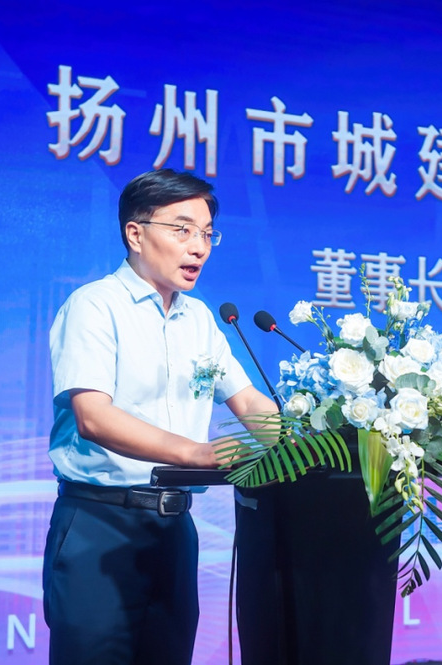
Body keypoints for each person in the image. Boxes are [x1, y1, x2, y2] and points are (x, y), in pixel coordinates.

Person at [42, 169, 277, 665]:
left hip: (174, 531)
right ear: (135, 233)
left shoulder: (201, 319)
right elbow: (93, 417)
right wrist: (196, 453)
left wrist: (318, 443)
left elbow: (250, 404)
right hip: (99, 526)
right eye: (183, 229)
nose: (199, 247)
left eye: (207, 234)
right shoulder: (95, 306)